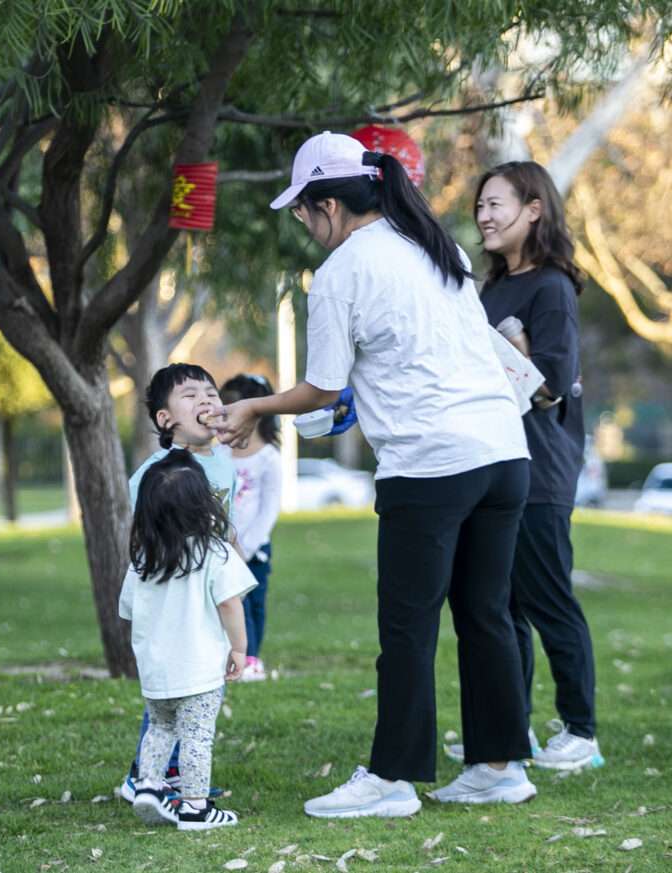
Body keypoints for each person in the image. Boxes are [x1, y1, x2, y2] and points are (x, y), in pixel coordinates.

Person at [212, 131, 537, 817]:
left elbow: (324, 388)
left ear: (328, 204)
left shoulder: (340, 273)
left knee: (409, 625)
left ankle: (392, 778)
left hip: (431, 463)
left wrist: (255, 406)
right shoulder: (435, 244)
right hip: (504, 452)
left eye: (302, 210)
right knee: (486, 614)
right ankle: (498, 766)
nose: (302, 224)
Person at [463, 160, 601, 771]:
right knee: (501, 606)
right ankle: (508, 732)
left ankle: (581, 733)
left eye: (496, 204)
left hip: (540, 468)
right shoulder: (492, 290)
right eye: (480, 207)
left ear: (534, 208)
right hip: (495, 461)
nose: (484, 217)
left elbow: (547, 387)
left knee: (547, 601)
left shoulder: (551, 286)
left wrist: (513, 357)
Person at [118, 363, 240, 803]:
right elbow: (144, 536)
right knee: (174, 687)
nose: (206, 400)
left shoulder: (224, 460)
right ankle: (145, 775)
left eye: (211, 392)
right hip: (175, 595)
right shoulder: (158, 472)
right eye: (190, 395)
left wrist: (235, 561)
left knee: (199, 683)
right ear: (164, 419)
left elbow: (227, 525)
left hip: (208, 589)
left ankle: (170, 774)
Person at [119, 450, 253, 830]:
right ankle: (195, 808)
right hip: (198, 670)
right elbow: (231, 603)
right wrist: (239, 649)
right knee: (196, 737)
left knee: (160, 728)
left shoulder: (144, 557)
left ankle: (148, 786)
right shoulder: (214, 553)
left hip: (155, 671)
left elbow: (127, 609)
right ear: (202, 504)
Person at [219, 374, 282, 682]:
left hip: (254, 551)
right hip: (220, 546)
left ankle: (251, 660)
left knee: (253, 602)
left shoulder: (269, 459)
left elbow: (269, 509)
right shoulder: (219, 453)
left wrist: (248, 548)